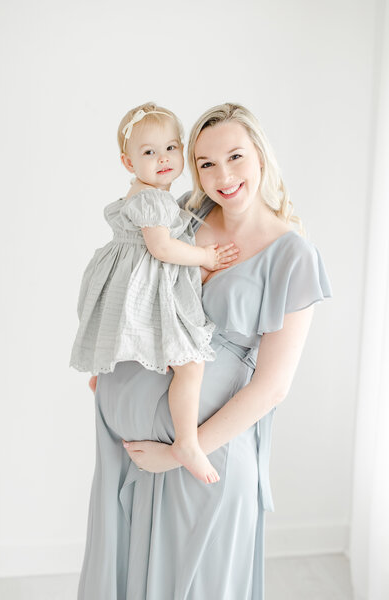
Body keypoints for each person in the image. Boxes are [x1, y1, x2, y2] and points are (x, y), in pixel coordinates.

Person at [77, 103, 332, 600]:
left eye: (235, 156)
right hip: (128, 451)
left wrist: (178, 453)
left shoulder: (293, 254)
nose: (223, 175)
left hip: (203, 456)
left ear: (260, 154)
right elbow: (127, 284)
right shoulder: (185, 220)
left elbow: (272, 387)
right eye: (206, 163)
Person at [70, 102, 240, 484]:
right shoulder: (153, 199)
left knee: (125, 331)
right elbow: (162, 249)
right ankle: (186, 441)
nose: (163, 158)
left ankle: (103, 374)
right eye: (149, 152)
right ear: (128, 163)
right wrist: (205, 256)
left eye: (171, 148)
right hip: (140, 280)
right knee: (190, 363)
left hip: (123, 277)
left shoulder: (149, 194)